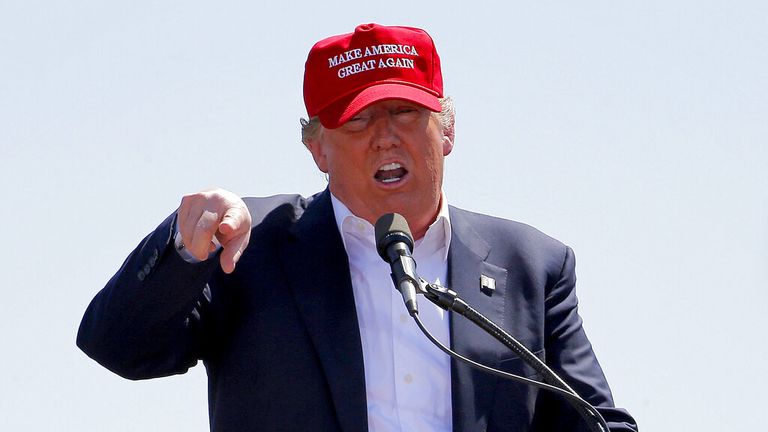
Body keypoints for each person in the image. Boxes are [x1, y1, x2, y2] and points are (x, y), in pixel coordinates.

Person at [77, 23, 638, 431]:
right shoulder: (249, 246)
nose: (386, 136)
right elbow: (117, 346)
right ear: (317, 148)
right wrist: (183, 248)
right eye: (358, 119)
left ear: (446, 131)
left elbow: (597, 422)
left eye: (405, 112)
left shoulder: (531, 266)